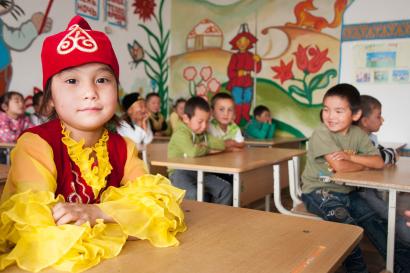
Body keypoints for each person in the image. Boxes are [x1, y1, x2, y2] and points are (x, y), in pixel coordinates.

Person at [0, 16, 185, 272]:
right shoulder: (35, 144)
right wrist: (125, 220)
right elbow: (37, 232)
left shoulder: (124, 147)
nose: (90, 92)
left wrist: (97, 213)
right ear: (50, 98)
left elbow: (158, 210)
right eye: (72, 81)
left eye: (102, 80)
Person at [301, 83, 410, 273]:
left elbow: (378, 162)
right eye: (326, 109)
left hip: (348, 192)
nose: (330, 116)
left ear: (356, 114)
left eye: (338, 111)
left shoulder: (358, 134)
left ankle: (402, 267)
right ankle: (358, 270)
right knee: (347, 229)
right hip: (319, 191)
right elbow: (340, 167)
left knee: (376, 221)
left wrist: (350, 157)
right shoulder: (321, 133)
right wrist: (362, 162)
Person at [357, 95, 410, 245]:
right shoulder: (358, 138)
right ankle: (405, 242)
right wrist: (386, 157)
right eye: (379, 116)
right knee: (391, 216)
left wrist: (386, 157)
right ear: (365, 121)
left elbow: (386, 155)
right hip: (360, 190)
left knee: (390, 213)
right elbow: (382, 158)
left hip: (368, 188)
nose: (382, 120)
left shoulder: (371, 138)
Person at [168, 96, 232, 205]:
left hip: (199, 171)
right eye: (200, 121)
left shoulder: (202, 133)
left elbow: (221, 144)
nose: (204, 126)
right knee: (195, 194)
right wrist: (208, 149)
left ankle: (217, 218)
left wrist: (202, 145)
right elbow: (192, 152)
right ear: (186, 119)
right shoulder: (180, 134)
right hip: (179, 172)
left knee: (225, 189)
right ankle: (202, 220)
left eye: (207, 122)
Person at [226, 23, 261, 125]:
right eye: (240, 41)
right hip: (237, 83)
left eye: (245, 41)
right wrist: (239, 73)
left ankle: (245, 115)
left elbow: (257, 70)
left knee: (247, 99)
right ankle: (237, 118)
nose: (242, 43)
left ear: (249, 42)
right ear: (236, 43)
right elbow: (230, 72)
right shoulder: (235, 56)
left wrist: (258, 61)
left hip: (247, 83)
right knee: (237, 101)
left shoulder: (251, 55)